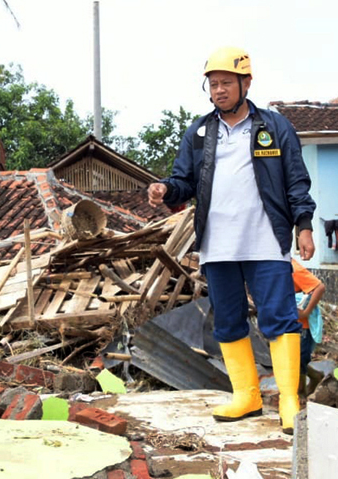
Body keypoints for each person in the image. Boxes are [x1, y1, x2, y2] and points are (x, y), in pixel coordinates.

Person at [147, 46, 316, 435]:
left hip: (265, 241)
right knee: (227, 320)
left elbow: (295, 179)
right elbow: (184, 181)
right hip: (217, 244)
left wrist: (303, 224)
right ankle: (248, 395)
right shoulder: (199, 132)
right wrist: (165, 190)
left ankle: (289, 400)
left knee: (279, 318)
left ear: (246, 83)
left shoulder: (274, 127)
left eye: (226, 83)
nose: (218, 91)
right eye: (212, 84)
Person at [291, 258, 325, 395]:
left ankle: (301, 393)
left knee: (298, 360)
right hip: (287, 322)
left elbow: (319, 287)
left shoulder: (291, 267)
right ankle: (315, 377)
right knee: (293, 359)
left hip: (302, 325)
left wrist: (306, 312)